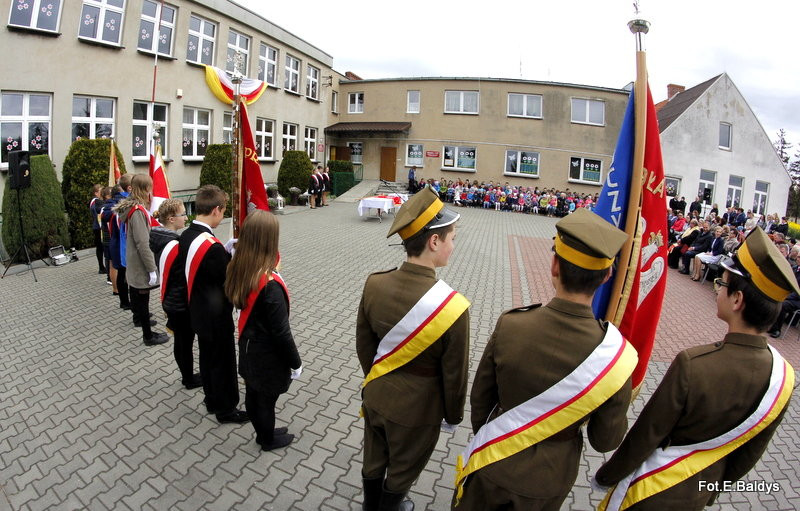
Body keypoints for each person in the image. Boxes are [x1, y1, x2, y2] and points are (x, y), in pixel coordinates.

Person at [594, 227, 795, 511]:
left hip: (650, 491)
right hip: (699, 493)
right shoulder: (784, 377)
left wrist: (606, 476)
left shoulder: (693, 363)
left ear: (737, 300)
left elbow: (646, 434)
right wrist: (708, 487)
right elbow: (747, 456)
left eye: (721, 285)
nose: (718, 291)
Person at [453, 208, 634, 511]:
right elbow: (605, 440)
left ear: (554, 264)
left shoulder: (511, 324)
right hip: (552, 477)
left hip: (493, 459)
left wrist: (496, 438)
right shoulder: (616, 357)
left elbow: (481, 402)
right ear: (607, 276)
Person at [357, 187, 470, 511]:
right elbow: (455, 374)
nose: (453, 245)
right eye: (451, 237)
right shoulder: (454, 307)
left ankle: (370, 505)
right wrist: (452, 415)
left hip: (376, 393)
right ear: (434, 242)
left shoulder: (374, 283)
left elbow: (364, 345)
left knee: (374, 458)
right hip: (418, 409)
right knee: (403, 470)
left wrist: (378, 377)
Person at [225, 210, 302, 451]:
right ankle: (267, 438)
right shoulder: (269, 285)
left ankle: (263, 431)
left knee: (253, 395)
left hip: (248, 346)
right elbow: (282, 332)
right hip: (267, 355)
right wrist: (295, 362)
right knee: (266, 400)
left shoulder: (240, 266)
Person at [178, 185, 248, 424]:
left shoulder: (188, 234)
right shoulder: (212, 248)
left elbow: (206, 271)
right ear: (217, 210)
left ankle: (211, 398)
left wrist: (225, 251)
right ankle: (226, 408)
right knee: (223, 363)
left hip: (197, 310)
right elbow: (227, 282)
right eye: (224, 210)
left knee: (207, 359)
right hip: (216, 316)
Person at [149, 198, 202, 388]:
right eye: (183, 214)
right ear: (171, 219)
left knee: (181, 341)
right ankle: (188, 378)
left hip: (172, 300)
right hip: (179, 302)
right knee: (184, 343)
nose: (186, 217)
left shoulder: (160, 238)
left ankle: (186, 375)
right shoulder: (173, 244)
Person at [116, 174, 169, 346]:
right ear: (146, 188)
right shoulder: (137, 211)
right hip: (140, 263)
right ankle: (148, 336)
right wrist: (152, 268)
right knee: (143, 298)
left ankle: (144, 326)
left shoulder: (134, 208)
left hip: (135, 260)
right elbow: (142, 242)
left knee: (140, 298)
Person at [90, 184, 105, 275]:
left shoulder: (97, 201)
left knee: (100, 247)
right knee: (100, 247)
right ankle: (101, 267)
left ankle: (102, 266)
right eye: (100, 191)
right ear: (96, 193)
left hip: (98, 226)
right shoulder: (95, 202)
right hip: (98, 227)